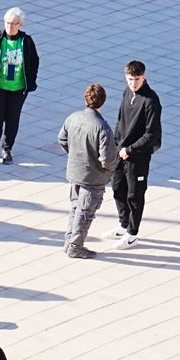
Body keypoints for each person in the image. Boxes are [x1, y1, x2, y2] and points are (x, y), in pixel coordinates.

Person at [58, 81, 117, 259]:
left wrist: (74, 154)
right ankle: (76, 246)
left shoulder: (73, 118)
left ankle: (69, 241)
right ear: (103, 102)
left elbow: (62, 139)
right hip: (93, 177)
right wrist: (111, 169)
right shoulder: (103, 128)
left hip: (75, 173)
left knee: (75, 208)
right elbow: (107, 159)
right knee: (85, 213)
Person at [111, 60, 163, 245]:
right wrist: (117, 144)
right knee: (118, 188)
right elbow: (120, 119)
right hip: (121, 152)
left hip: (138, 157)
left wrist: (130, 149)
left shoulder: (151, 101)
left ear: (144, 77)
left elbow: (152, 134)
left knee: (135, 195)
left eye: (137, 79)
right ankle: (123, 224)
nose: (133, 83)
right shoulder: (127, 92)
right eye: (130, 79)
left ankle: (132, 233)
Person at [0, 7, 40, 165]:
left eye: (14, 23)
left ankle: (7, 149)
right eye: (7, 23)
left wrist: (31, 80)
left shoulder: (26, 42)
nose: (10, 26)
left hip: (18, 88)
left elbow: (34, 61)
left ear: (20, 24)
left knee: (13, 119)